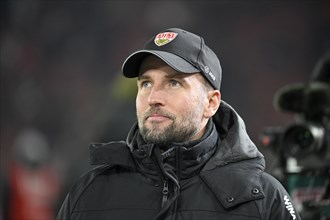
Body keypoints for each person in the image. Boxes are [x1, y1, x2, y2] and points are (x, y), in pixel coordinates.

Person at [56, 28, 301, 220]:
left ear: (211, 103)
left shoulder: (264, 199)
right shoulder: (90, 193)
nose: (153, 99)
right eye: (146, 84)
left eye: (174, 83)